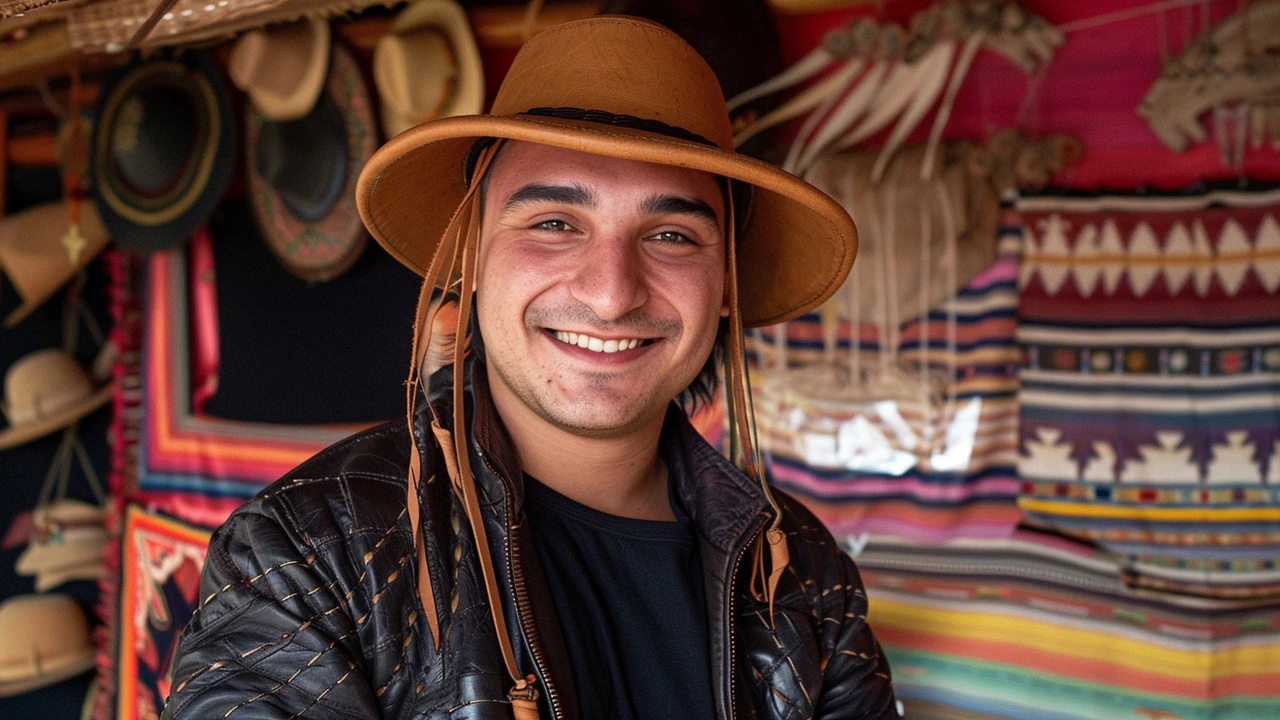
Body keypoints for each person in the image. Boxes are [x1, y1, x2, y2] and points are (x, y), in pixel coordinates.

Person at [164, 16, 898, 720]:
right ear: (471, 252)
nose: (612, 294)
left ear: (727, 286)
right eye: (554, 223)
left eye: (671, 235)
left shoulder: (801, 572)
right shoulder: (310, 553)